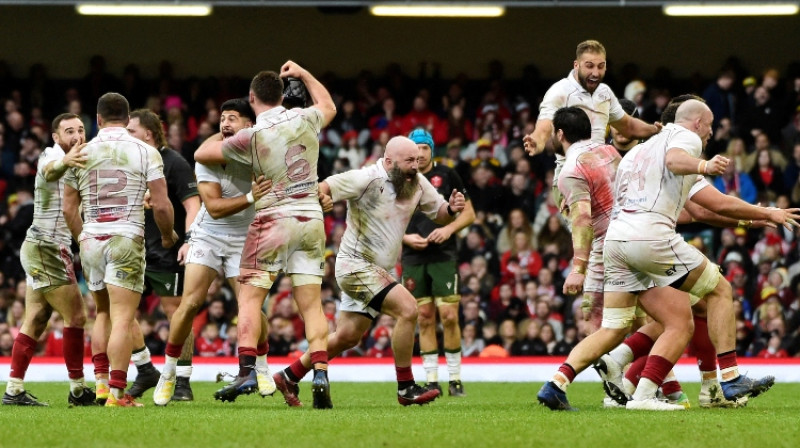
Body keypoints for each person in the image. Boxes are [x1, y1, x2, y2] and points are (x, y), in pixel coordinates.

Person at [537, 100, 792, 411]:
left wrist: (755, 217)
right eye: (709, 125)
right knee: (717, 292)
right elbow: (690, 179)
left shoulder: (636, 153)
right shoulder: (686, 141)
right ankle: (727, 378)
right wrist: (707, 168)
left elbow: (701, 207)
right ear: (696, 122)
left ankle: (557, 383)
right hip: (651, 238)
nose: (710, 133)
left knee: (616, 327)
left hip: (615, 244)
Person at [274, 136, 466, 407]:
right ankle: (406, 386)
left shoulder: (418, 182)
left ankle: (288, 376)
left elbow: (440, 214)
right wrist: (324, 198)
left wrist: (452, 209)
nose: (416, 165)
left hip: (380, 270)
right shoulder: (366, 179)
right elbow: (324, 187)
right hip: (355, 266)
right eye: (409, 160)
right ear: (389, 162)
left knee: (347, 337)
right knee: (409, 310)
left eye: (418, 160)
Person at [194, 61, 336, 408]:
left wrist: (225, 129)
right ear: (284, 95)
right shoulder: (306, 118)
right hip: (311, 218)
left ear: (252, 97)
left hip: (274, 218)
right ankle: (319, 370)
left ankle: (245, 371)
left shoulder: (252, 136)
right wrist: (304, 73)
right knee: (311, 304)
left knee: (250, 299)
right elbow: (329, 106)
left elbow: (201, 153)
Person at [152, 99, 273, 405]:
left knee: (252, 306)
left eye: (233, 118)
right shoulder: (207, 156)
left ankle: (261, 365)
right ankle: (168, 372)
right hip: (209, 234)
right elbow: (215, 209)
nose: (225, 123)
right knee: (190, 303)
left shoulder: (263, 153)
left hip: (244, 238)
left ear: (249, 125)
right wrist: (250, 196)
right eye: (222, 118)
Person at [63, 92, 178, 407]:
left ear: (97, 119)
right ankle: (116, 394)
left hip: (92, 239)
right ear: (128, 120)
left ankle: (101, 385)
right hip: (126, 237)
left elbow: (69, 208)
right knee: (124, 318)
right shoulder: (146, 151)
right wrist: (167, 235)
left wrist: (82, 237)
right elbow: (162, 204)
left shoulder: (81, 152)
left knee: (101, 312)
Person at [3, 113, 96, 407]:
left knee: (37, 318)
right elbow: (50, 170)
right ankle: (78, 390)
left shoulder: (80, 161)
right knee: (78, 316)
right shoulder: (50, 156)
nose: (77, 135)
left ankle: (14, 390)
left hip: (44, 247)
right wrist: (65, 162)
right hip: (46, 247)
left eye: (81, 129)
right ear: (56, 137)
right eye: (69, 131)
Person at [124, 108, 200, 401]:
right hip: (132, 249)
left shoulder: (175, 163)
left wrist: (189, 239)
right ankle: (144, 369)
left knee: (176, 313)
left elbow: (193, 205)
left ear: (149, 133)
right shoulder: (129, 161)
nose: (127, 136)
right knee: (122, 313)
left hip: (166, 249)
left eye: (132, 131)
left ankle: (182, 380)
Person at [401, 128, 475, 397]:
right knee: (424, 317)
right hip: (412, 256)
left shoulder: (446, 175)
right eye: (415, 148)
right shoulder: (399, 179)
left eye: (424, 148)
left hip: (444, 255)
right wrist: (405, 238)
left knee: (449, 316)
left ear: (431, 150)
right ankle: (432, 380)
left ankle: (455, 379)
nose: (419, 153)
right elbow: (387, 218)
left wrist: (448, 229)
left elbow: (469, 214)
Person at [523, 40, 660, 159]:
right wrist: (536, 142)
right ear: (576, 65)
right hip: (572, 178)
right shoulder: (560, 91)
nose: (595, 73)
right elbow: (544, 128)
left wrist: (656, 130)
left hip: (600, 176)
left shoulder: (604, 92)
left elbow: (628, 126)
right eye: (589, 66)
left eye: (601, 66)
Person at [552, 107, 621, 334]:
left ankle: (618, 370)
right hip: (635, 237)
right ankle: (651, 370)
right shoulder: (609, 151)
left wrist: (578, 268)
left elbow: (583, 220)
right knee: (638, 317)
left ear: (560, 134)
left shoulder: (571, 170)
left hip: (606, 249)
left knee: (592, 317)